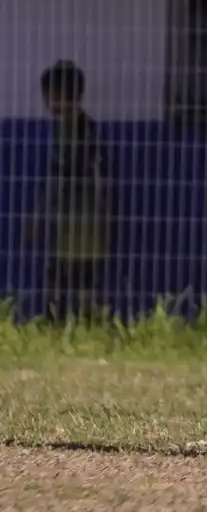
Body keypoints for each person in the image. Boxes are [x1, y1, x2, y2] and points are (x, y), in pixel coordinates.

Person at [25, 60, 110, 323]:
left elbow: (56, 178)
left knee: (59, 276)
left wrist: (38, 217)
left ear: (60, 95)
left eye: (49, 95)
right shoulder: (90, 126)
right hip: (93, 220)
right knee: (86, 278)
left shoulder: (65, 132)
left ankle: (55, 324)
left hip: (71, 220)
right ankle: (90, 325)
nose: (47, 102)